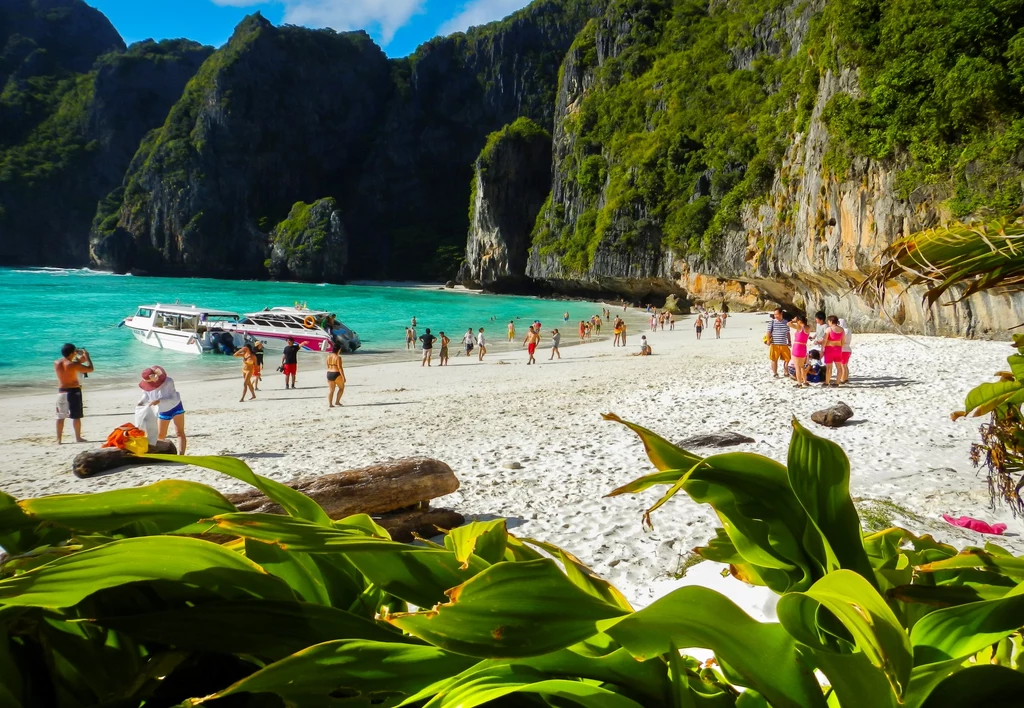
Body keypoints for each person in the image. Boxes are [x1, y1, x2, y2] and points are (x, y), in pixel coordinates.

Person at [137, 366, 186, 454]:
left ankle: (181, 455)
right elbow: (146, 396)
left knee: (179, 432)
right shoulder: (147, 386)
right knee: (161, 435)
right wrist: (141, 402)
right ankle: (161, 453)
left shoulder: (168, 381)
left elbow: (174, 398)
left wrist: (159, 401)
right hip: (163, 410)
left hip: (176, 407)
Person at [54, 343, 93, 444]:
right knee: (76, 416)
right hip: (73, 391)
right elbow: (90, 369)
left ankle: (59, 439)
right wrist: (87, 356)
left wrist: (79, 355)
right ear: (72, 353)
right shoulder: (73, 365)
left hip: (61, 391)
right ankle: (78, 437)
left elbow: (74, 363)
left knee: (60, 416)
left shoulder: (57, 362)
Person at [766, 308, 792, 378]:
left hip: (784, 344)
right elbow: (768, 332)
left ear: (781, 314)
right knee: (774, 359)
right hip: (774, 344)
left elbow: (788, 333)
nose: (775, 316)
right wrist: (768, 340)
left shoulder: (786, 322)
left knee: (788, 359)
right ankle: (775, 373)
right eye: (774, 314)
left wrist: (789, 341)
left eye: (777, 314)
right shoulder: (772, 322)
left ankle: (786, 372)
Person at [822, 315, 845, 387]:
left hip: (829, 349)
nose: (828, 323)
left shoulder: (829, 329)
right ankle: (837, 382)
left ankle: (827, 382)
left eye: (828, 321)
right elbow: (843, 341)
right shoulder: (842, 329)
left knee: (829, 367)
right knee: (839, 367)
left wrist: (822, 349)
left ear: (831, 321)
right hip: (838, 349)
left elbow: (824, 341)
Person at [788, 315, 810, 388]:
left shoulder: (799, 327)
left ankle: (799, 383)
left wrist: (793, 320)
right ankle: (805, 381)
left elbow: (788, 324)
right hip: (803, 347)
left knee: (797, 367)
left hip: (797, 347)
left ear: (799, 321)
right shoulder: (808, 327)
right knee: (802, 366)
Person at [326, 342, 345, 407]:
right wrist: (343, 377)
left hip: (329, 373)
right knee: (341, 388)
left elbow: (328, 365)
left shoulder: (328, 356)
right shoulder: (338, 357)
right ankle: (337, 401)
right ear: (339, 350)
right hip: (336, 373)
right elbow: (340, 368)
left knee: (331, 390)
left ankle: (330, 404)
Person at [838, 318, 853, 384]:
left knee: (842, 366)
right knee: (845, 365)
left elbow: (842, 340)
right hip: (847, 349)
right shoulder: (848, 330)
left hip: (843, 349)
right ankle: (846, 378)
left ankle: (843, 379)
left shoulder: (844, 331)